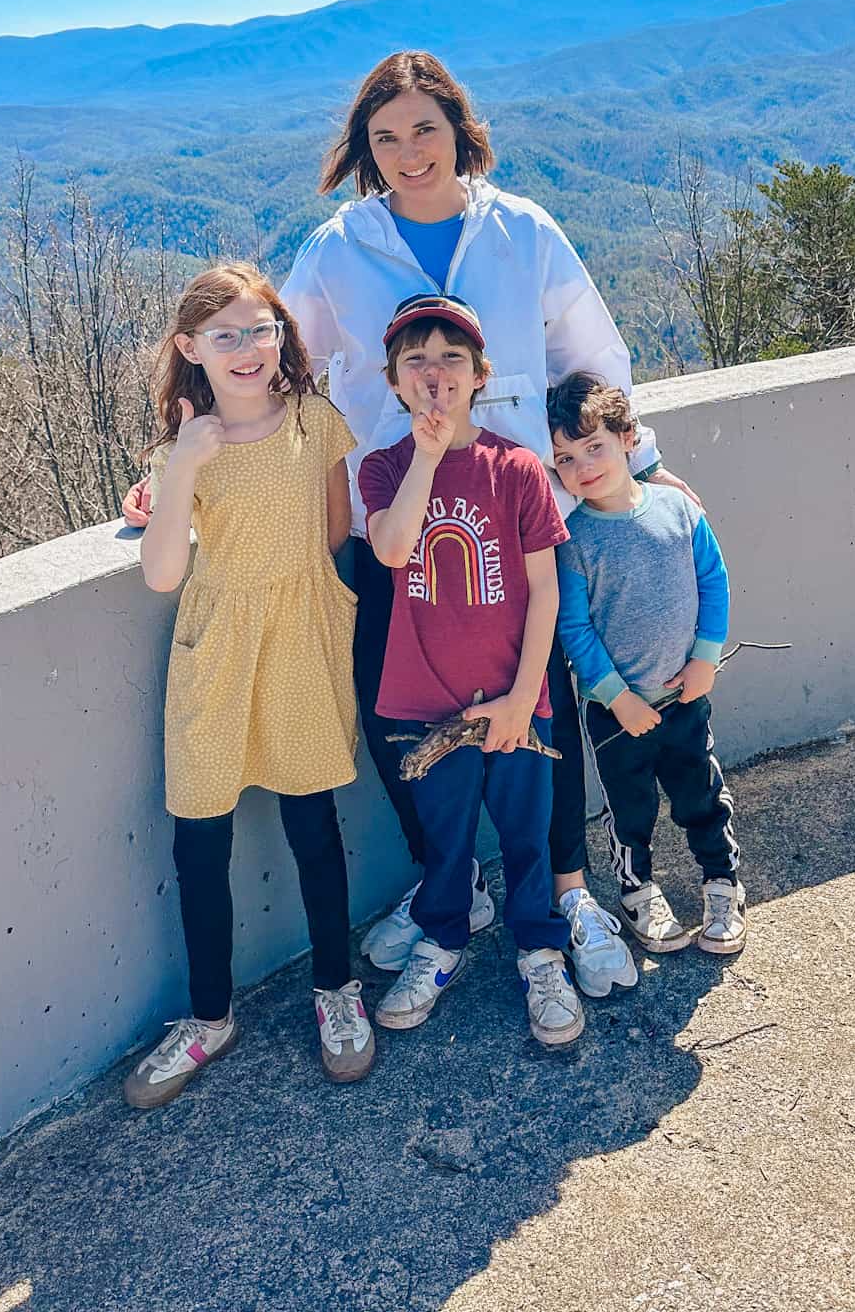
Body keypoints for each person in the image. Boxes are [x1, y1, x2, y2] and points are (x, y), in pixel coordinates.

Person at [123, 49, 698, 996]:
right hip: (393, 518)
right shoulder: (339, 250)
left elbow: (593, 356)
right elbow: (275, 368)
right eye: (384, 137)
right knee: (394, 712)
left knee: (538, 703)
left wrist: (636, 460)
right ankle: (453, 884)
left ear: (459, 129)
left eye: (425, 128)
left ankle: (565, 891)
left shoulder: (524, 233)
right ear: (363, 149)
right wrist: (181, 468)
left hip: (517, 514)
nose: (407, 151)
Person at [123, 262, 374, 1108]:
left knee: (314, 824)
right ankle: (208, 1016)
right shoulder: (181, 449)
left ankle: (336, 992)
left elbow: (336, 528)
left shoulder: (315, 421)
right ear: (190, 348)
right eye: (223, 335)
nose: (245, 349)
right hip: (217, 647)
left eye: (259, 330)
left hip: (300, 640)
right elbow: (163, 574)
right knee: (201, 837)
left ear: (282, 337)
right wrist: (182, 471)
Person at [360, 293, 584, 1046]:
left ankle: (540, 953)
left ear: (480, 373)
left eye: (451, 358)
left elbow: (544, 588)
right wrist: (427, 453)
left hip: (516, 701)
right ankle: (443, 941)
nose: (434, 374)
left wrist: (527, 695)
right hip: (425, 704)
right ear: (392, 380)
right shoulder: (386, 467)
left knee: (528, 837)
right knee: (447, 843)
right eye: (415, 360)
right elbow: (392, 549)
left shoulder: (515, 468)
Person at [549, 371, 747, 959]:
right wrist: (616, 696)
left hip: (685, 696)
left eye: (595, 448)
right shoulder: (572, 539)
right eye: (565, 458)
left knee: (700, 792)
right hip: (617, 715)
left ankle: (721, 883)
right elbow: (574, 628)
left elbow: (714, 582)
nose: (583, 467)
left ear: (628, 439)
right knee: (628, 808)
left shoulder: (678, 512)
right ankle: (638, 892)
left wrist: (705, 660)